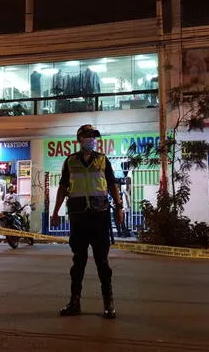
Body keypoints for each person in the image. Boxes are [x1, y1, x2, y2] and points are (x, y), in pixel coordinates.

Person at [51, 124, 123, 319]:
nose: (92, 139)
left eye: (94, 136)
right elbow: (63, 188)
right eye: (88, 136)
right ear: (80, 139)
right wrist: (55, 212)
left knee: (102, 262)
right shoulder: (70, 161)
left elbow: (112, 185)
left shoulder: (102, 160)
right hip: (78, 217)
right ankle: (75, 302)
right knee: (78, 262)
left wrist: (119, 207)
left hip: (99, 215)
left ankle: (109, 303)